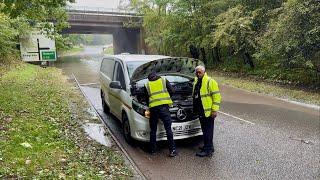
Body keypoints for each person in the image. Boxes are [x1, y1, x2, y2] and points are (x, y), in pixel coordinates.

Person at [144, 71, 177, 157]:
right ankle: (172, 150)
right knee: (168, 129)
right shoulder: (163, 80)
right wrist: (167, 98)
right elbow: (172, 91)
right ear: (157, 76)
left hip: (153, 109)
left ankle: (152, 150)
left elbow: (146, 99)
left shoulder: (147, 85)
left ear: (149, 78)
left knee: (153, 130)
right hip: (164, 108)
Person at [193, 65, 221, 157]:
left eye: (199, 72)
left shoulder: (210, 81)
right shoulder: (197, 81)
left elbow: (217, 97)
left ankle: (207, 150)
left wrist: (214, 110)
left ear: (204, 72)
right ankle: (208, 146)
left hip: (208, 112)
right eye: (197, 72)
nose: (198, 74)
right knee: (205, 130)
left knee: (208, 131)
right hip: (201, 111)